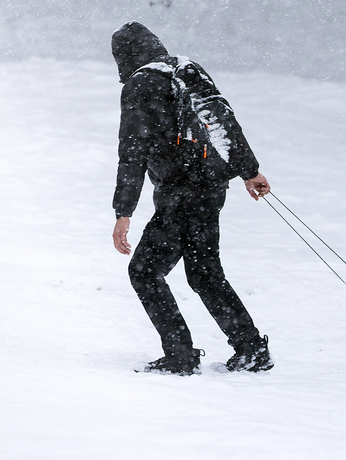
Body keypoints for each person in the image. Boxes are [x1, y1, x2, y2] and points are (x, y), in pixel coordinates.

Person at [110, 21, 273, 376]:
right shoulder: (187, 68)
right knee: (204, 272)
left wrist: (124, 211)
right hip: (212, 187)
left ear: (124, 57)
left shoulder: (141, 83)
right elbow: (225, 122)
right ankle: (251, 349)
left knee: (144, 272)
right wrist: (249, 171)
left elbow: (133, 151)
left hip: (179, 193)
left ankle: (180, 355)